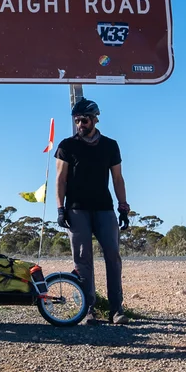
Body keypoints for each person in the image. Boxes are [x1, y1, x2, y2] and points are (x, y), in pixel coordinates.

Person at [54, 97, 131, 325]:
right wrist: (60, 209)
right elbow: (60, 179)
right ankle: (88, 310)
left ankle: (116, 309)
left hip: (104, 208)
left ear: (95, 119)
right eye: (77, 120)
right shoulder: (66, 146)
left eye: (84, 120)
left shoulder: (110, 145)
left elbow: (118, 179)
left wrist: (123, 207)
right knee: (82, 260)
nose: (80, 124)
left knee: (113, 256)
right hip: (76, 210)